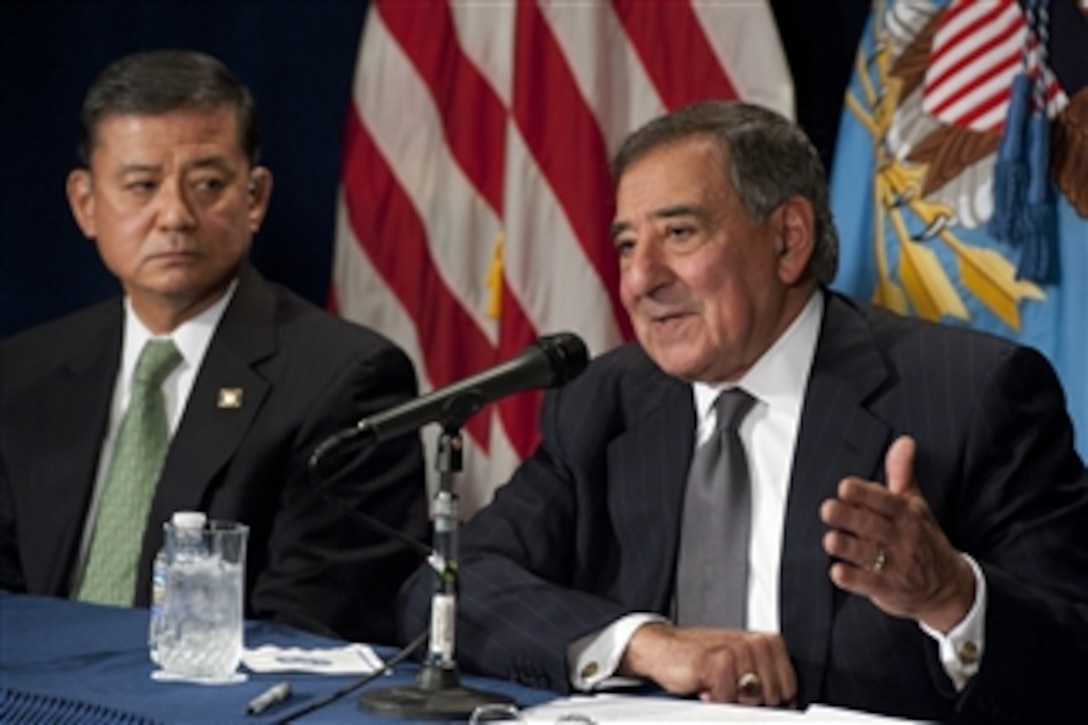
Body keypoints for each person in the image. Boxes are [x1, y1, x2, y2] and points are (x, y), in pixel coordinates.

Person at [396, 100, 1088, 721]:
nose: (640, 280)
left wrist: (950, 595)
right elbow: (448, 587)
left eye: (680, 233)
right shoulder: (604, 402)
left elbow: (1075, 656)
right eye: (627, 245)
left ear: (788, 238)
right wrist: (645, 642)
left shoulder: (969, 393)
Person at [0, 49, 429, 645]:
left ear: (254, 198)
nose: (174, 215)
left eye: (207, 184)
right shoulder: (22, 374)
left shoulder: (345, 380)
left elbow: (309, 634)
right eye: (142, 186)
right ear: (86, 204)